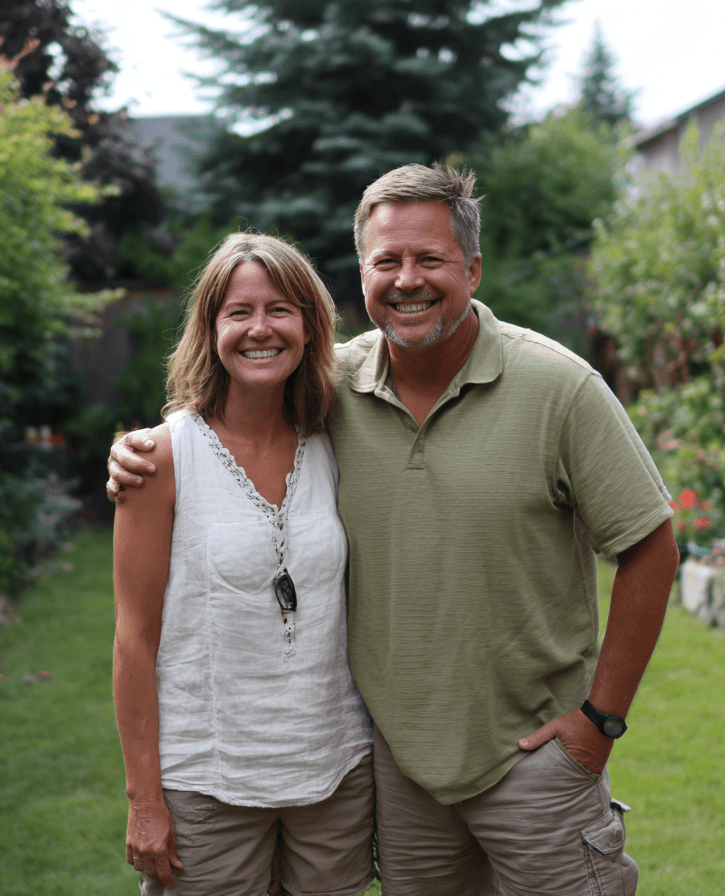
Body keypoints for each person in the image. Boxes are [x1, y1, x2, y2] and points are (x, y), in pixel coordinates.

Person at [109, 164, 679, 895]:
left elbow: (651, 545)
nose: (407, 279)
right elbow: (229, 413)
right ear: (362, 274)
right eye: (388, 261)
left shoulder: (557, 387)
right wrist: (138, 450)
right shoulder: (332, 389)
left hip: (534, 760)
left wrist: (599, 722)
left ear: (472, 268)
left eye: (430, 259)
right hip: (402, 778)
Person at [111, 232, 374, 896]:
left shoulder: (339, 438)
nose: (260, 328)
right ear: (211, 328)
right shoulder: (159, 459)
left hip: (335, 775)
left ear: (311, 328)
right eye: (239, 311)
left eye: (281, 309)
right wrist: (145, 800)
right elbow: (133, 640)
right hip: (210, 781)